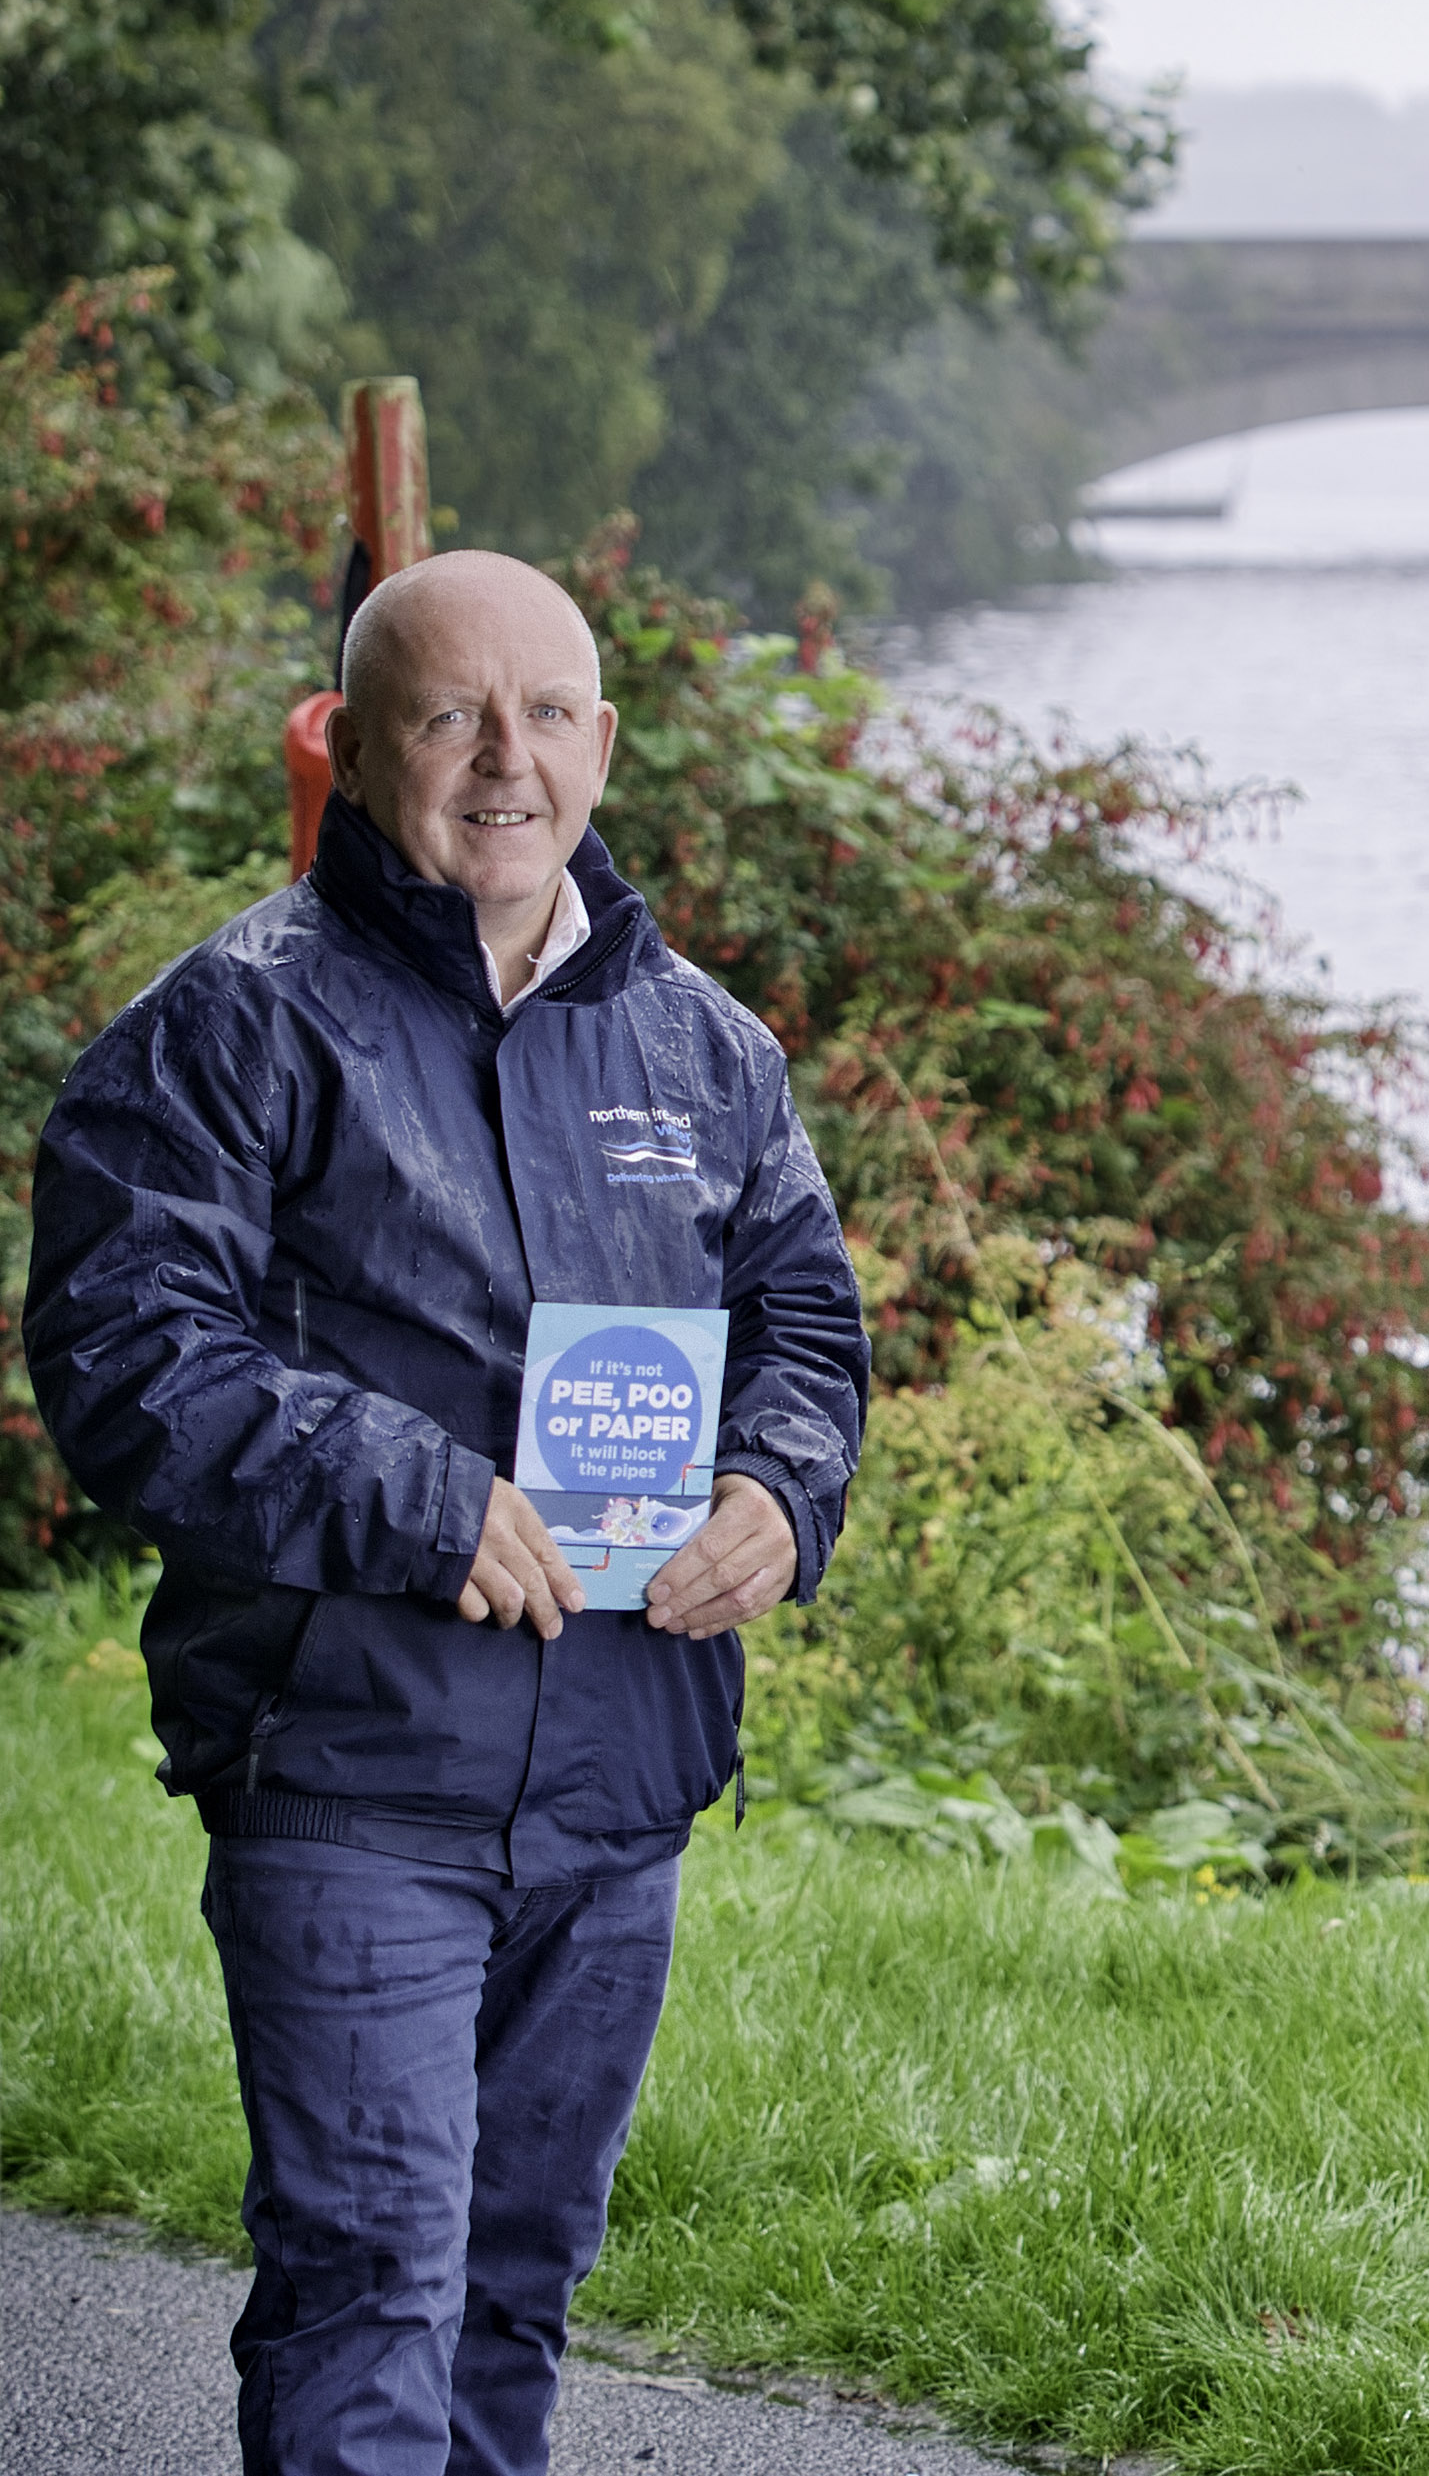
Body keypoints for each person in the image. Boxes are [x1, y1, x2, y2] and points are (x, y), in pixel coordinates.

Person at [26, 549, 869, 2475]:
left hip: (621, 1781)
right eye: (449, 713)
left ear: (605, 743)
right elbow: (121, 1353)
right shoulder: (230, 1025)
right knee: (369, 2285)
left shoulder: (705, 1048)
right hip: (350, 1774)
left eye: (548, 713)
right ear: (356, 743)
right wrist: (417, 1496)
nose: (507, 758)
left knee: (511, 2290)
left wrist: (779, 1491)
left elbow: (805, 1321)